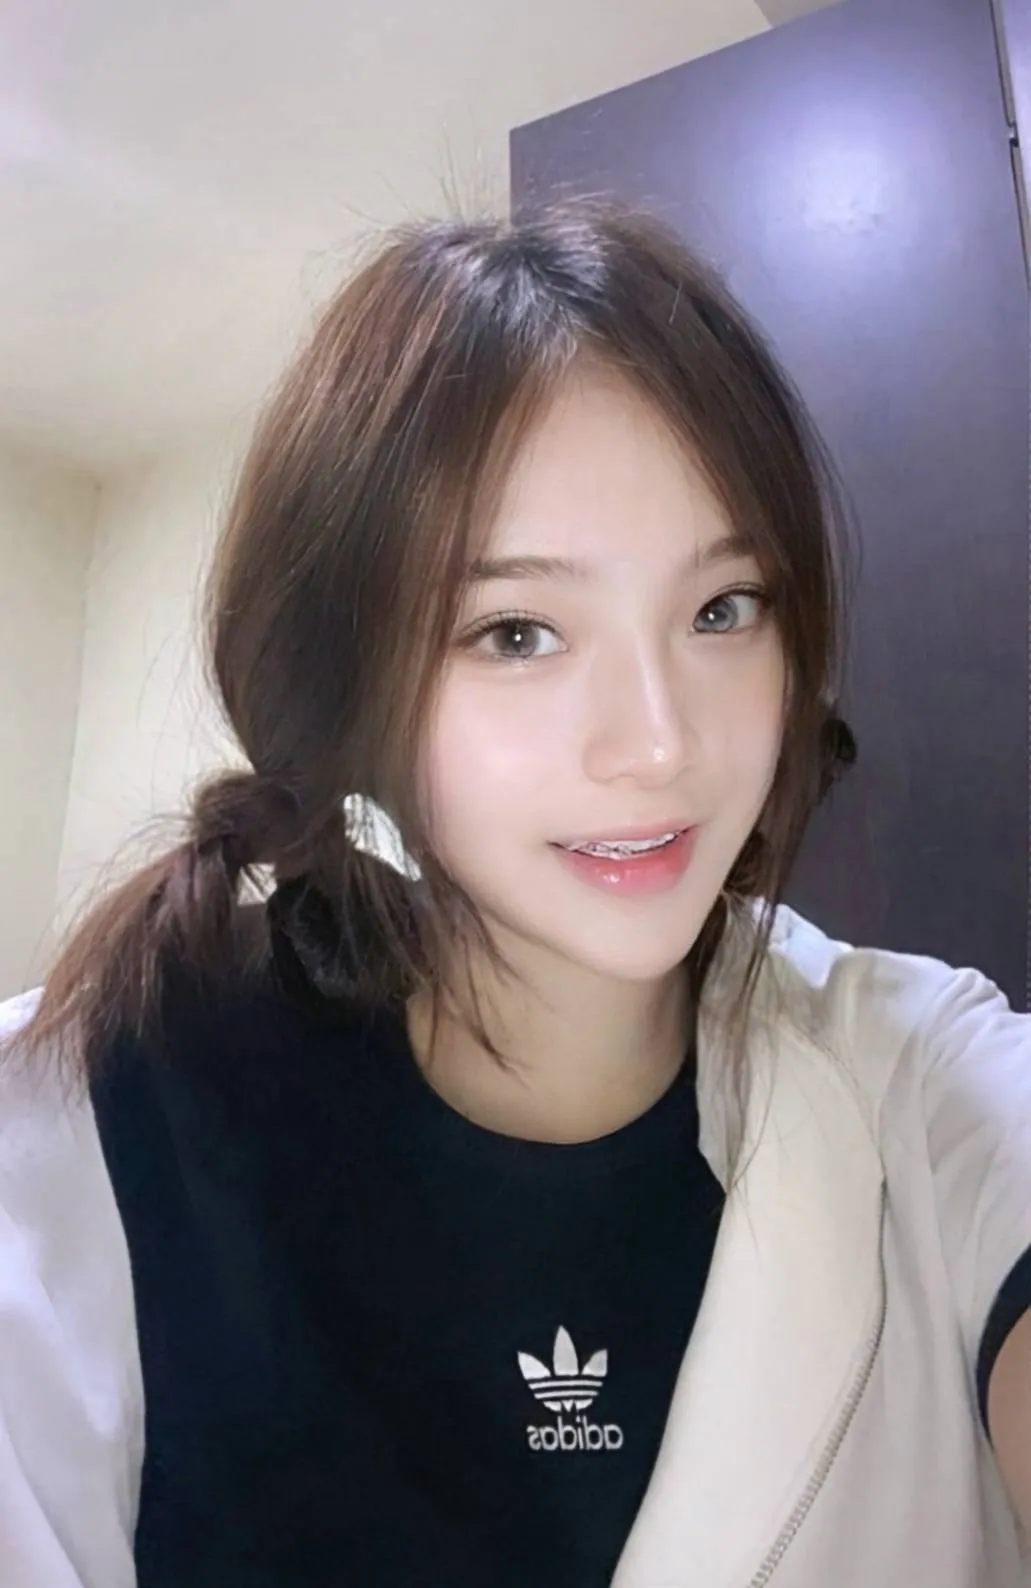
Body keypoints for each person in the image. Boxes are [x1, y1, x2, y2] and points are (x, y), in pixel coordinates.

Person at [1, 200, 1030, 1588]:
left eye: (723, 608)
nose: (658, 743)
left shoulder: (916, 1074)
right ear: (353, 689)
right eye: (518, 633)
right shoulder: (103, 1114)